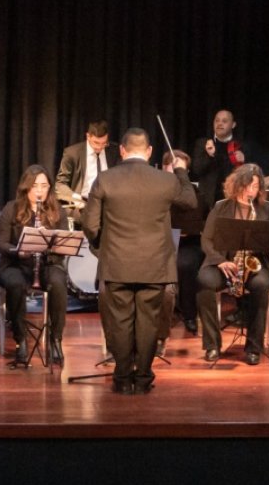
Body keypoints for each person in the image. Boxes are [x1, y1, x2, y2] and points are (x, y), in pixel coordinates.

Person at [82, 128, 197, 394]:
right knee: (148, 323)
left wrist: (102, 247)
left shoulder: (105, 179)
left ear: (121, 150)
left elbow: (90, 224)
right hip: (155, 265)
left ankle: (122, 379)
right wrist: (180, 171)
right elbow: (190, 201)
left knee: (119, 323)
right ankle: (143, 378)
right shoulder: (165, 181)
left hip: (116, 264)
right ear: (149, 151)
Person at [196, 164, 269, 365]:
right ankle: (212, 345)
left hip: (254, 263)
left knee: (261, 285)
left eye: (255, 187)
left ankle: (254, 347)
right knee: (204, 281)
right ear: (237, 185)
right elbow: (206, 240)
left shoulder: (267, 209)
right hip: (223, 263)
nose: (251, 191)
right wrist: (221, 261)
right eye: (247, 186)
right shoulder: (221, 207)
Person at [0, 165, 69, 366]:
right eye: (35, 186)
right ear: (26, 187)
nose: (40, 191)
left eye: (44, 186)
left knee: (58, 282)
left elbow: (64, 244)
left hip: (47, 263)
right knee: (15, 284)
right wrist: (19, 250)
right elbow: (1, 244)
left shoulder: (57, 210)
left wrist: (48, 242)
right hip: (16, 264)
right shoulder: (12, 208)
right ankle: (20, 340)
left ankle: (56, 339)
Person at [162, 149, 206, 336]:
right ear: (164, 168)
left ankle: (189, 314)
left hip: (188, 242)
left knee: (185, 265)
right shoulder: (156, 190)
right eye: (174, 168)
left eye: (182, 170)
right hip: (161, 244)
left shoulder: (194, 194)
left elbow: (201, 222)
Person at [55, 120, 121, 211]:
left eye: (103, 143)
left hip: (109, 206)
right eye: (96, 143)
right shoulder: (73, 153)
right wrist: (74, 196)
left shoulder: (114, 151)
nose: (99, 147)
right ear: (88, 136)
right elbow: (60, 184)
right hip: (82, 205)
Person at [190, 109, 247, 211]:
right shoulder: (203, 143)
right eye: (217, 121)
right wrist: (210, 156)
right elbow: (197, 169)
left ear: (233, 125)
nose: (220, 123)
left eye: (224, 121)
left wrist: (244, 161)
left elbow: (248, 176)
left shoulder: (240, 146)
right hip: (208, 204)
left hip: (233, 201)